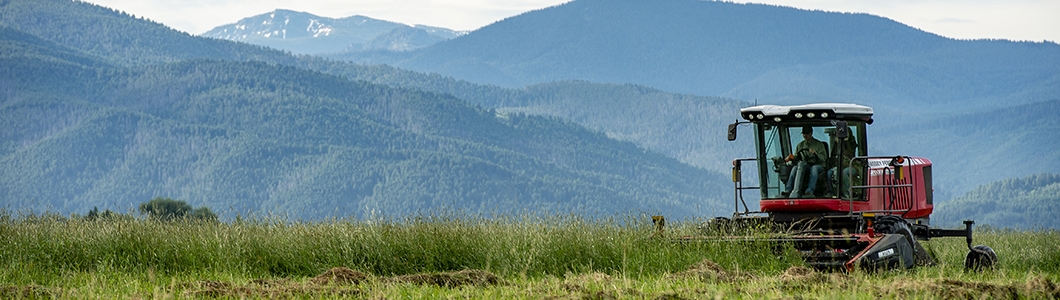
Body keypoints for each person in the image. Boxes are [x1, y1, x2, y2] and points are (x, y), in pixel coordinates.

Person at [783, 126, 827, 198]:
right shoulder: (800, 145)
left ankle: (809, 191)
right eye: (803, 134)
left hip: (818, 165)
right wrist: (791, 158)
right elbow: (796, 157)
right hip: (806, 165)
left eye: (807, 134)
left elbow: (824, 158)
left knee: (814, 169)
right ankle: (788, 190)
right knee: (794, 168)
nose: (805, 135)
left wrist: (816, 153)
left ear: (811, 133)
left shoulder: (819, 145)